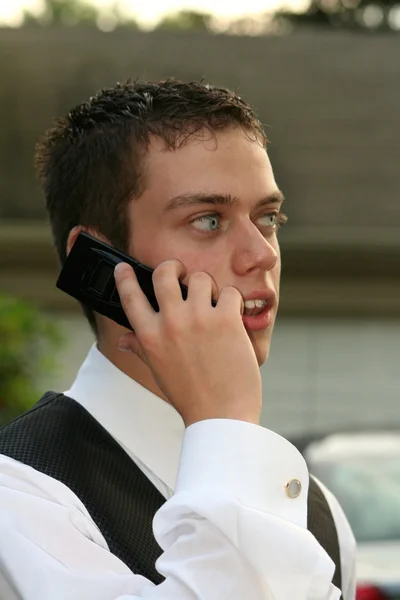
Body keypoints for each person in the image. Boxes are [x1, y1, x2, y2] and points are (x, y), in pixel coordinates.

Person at [0, 79, 356, 600]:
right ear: (99, 262)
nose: (263, 254)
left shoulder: (316, 512)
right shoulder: (21, 500)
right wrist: (224, 421)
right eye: (208, 220)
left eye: (268, 217)